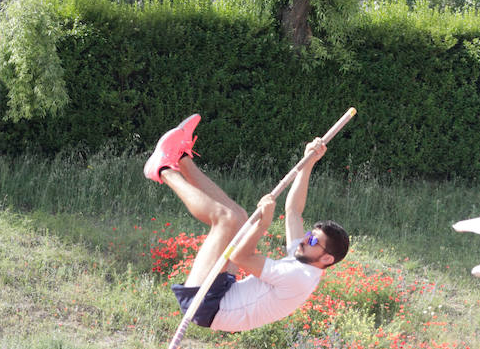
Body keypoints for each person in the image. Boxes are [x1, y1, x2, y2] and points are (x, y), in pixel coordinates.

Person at [144, 113, 349, 332]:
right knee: (240, 218)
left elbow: (239, 256)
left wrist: (263, 224)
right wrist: (308, 161)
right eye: (309, 234)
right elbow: (294, 211)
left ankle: (162, 169)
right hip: (225, 291)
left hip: (207, 306)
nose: (305, 240)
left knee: (225, 219)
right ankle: (182, 158)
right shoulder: (306, 258)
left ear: (327, 258)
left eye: (312, 241)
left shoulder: (299, 276)